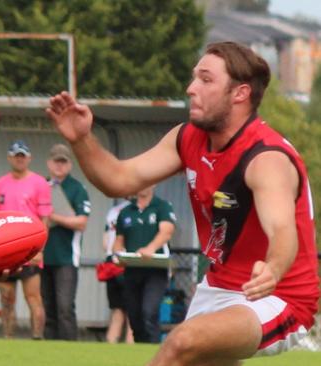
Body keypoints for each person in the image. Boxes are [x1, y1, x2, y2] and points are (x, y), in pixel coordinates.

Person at [47, 41, 319, 364]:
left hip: (275, 297)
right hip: (217, 288)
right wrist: (81, 140)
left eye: (205, 80)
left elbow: (283, 231)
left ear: (240, 93)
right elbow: (117, 180)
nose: (191, 89)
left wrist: (273, 267)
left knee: (181, 342)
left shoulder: (265, 158)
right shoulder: (188, 138)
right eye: (194, 78)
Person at [0, 140, 51, 339]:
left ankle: (37, 338)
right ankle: (8, 338)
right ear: (10, 158)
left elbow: (44, 218)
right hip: (6, 250)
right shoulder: (1, 183)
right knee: (7, 298)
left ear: (29, 158)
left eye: (23, 156)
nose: (19, 160)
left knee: (33, 297)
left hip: (29, 248)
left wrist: (40, 249)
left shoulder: (39, 183)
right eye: (16, 156)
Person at [112, 186, 176, 343]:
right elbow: (119, 241)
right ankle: (141, 351)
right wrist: (117, 255)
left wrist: (151, 248)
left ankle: (154, 349)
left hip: (156, 268)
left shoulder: (162, 206)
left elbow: (167, 231)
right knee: (134, 316)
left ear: (154, 184)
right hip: (132, 269)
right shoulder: (126, 211)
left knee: (149, 311)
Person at [41, 143, 90, 340]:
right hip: (43, 255)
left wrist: (54, 217)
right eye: (56, 161)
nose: (59, 166)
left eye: (63, 162)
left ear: (70, 164)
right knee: (47, 308)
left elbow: (82, 222)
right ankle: (49, 351)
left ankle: (69, 349)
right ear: (48, 163)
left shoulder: (77, 188)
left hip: (67, 257)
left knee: (65, 307)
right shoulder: (41, 185)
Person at [102, 200, 134, 344]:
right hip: (128, 262)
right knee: (133, 312)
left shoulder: (113, 211)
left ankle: (111, 343)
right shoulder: (134, 209)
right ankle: (131, 347)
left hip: (111, 262)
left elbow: (105, 242)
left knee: (117, 311)